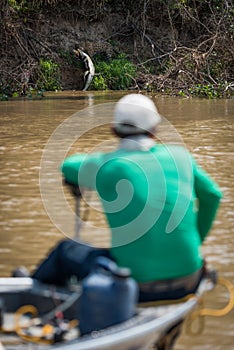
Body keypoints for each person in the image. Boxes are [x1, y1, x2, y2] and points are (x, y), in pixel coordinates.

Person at [32, 93, 222, 303]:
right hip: (189, 279)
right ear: (156, 129)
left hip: (136, 286)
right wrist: (196, 241)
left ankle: (31, 297)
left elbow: (68, 166)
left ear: (113, 130)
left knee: (65, 250)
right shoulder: (181, 157)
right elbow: (213, 195)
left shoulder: (108, 166)